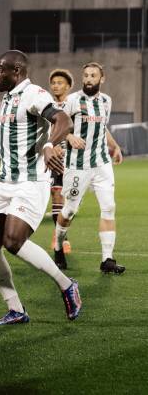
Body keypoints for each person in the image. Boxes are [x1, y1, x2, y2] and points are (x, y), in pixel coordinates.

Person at [0, 50, 81, 325]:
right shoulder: (8, 99)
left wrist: (48, 145)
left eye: (1, 69)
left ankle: (67, 285)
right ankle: (16, 310)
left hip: (31, 182)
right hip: (4, 181)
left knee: (13, 241)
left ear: (16, 71)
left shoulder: (34, 94)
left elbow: (63, 120)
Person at [53, 62, 125, 274]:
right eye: (86, 75)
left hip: (102, 163)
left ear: (101, 79)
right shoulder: (72, 100)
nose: (89, 79)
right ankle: (58, 245)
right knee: (70, 210)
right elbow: (55, 125)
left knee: (109, 207)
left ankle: (107, 259)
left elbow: (101, 128)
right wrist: (68, 136)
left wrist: (114, 146)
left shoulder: (106, 101)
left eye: (93, 75)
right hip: (77, 165)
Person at [47, 68, 73, 256]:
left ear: (69, 86)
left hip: (71, 157)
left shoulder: (75, 105)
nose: (56, 85)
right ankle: (58, 239)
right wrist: (50, 145)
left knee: (69, 201)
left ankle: (62, 236)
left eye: (60, 83)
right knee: (56, 195)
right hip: (50, 156)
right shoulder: (46, 105)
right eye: (54, 83)